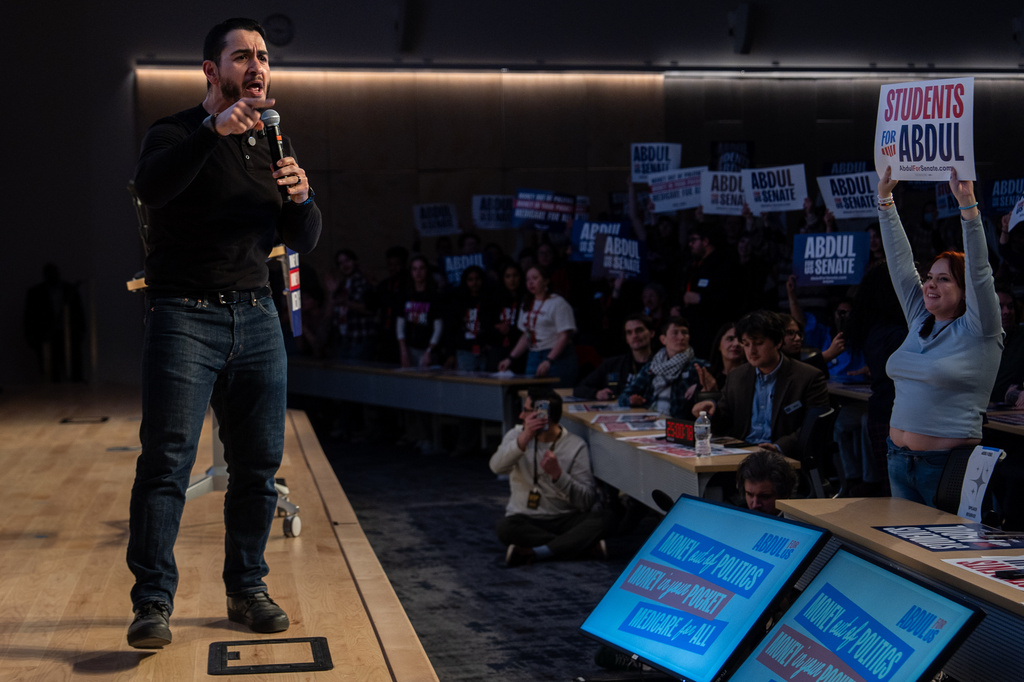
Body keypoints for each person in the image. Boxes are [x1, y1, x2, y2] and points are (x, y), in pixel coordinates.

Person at [126, 17, 322, 649]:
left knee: (259, 468)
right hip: (184, 315)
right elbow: (153, 188)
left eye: (263, 56)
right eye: (242, 57)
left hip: (257, 317)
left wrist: (303, 199)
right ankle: (153, 602)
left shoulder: (274, 139)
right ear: (212, 70)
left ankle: (246, 588)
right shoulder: (176, 132)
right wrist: (213, 131)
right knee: (166, 464)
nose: (257, 66)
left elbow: (302, 240)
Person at [877, 166, 1002, 506]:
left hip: (947, 468)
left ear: (965, 291)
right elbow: (900, 266)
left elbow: (979, 271)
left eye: (944, 279)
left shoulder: (981, 329)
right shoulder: (920, 320)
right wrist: (885, 201)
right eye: (930, 277)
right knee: (902, 555)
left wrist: (968, 207)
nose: (930, 285)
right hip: (897, 460)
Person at [489, 388, 610, 566]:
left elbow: (586, 500)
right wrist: (525, 438)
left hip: (565, 518)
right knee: (505, 529)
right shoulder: (516, 435)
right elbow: (496, 467)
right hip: (525, 518)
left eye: (527, 411)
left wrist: (558, 476)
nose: (521, 416)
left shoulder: (575, 445)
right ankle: (578, 546)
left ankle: (537, 552)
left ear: (542, 415)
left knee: (604, 518)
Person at [691, 310, 829, 459]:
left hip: (783, 457)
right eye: (746, 344)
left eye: (758, 343)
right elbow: (724, 420)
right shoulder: (737, 377)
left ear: (778, 342)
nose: (751, 351)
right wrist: (711, 411)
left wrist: (779, 447)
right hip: (741, 453)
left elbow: (815, 427)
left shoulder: (808, 377)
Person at [498, 265, 578, 386]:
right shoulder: (527, 303)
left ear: (546, 280)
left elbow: (564, 336)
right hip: (534, 354)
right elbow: (526, 335)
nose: (530, 283)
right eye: (527, 279)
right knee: (532, 397)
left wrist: (549, 360)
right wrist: (510, 358)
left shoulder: (558, 303)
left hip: (557, 356)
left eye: (535, 278)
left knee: (555, 396)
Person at [618, 316, 702, 419]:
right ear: (663, 339)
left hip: (679, 426)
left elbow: (714, 394)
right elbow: (623, 397)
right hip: (652, 421)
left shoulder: (699, 367)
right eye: (675, 333)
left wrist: (699, 388)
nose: (681, 337)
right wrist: (631, 400)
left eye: (684, 332)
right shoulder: (652, 367)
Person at [573, 313, 654, 401]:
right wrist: (597, 394)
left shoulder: (662, 363)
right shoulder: (613, 364)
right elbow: (579, 388)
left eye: (639, 330)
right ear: (626, 338)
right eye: (629, 332)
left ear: (651, 333)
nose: (634, 336)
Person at [736, 448, 798, 516]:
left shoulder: (798, 522)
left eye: (764, 497)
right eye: (750, 494)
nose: (755, 505)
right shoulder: (737, 516)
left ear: (784, 495)